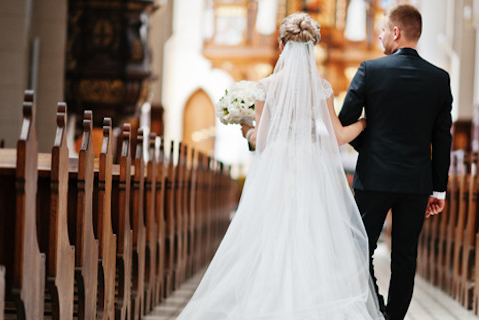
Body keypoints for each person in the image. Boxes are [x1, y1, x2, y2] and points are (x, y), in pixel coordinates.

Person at [177, 12, 384, 320]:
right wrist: (367, 122)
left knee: (274, 232)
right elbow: (340, 136)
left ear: (282, 45)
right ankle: (311, 301)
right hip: (312, 168)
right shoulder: (322, 87)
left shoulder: (266, 86)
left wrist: (245, 128)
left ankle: (270, 301)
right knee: (312, 233)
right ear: (311, 47)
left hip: (278, 167)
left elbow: (260, 140)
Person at [337, 4, 453, 320]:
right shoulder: (439, 79)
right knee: (405, 256)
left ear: (396, 33)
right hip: (416, 183)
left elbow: (345, 121)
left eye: (383, 30)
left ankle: (377, 308)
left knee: (360, 249)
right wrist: (438, 190)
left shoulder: (370, 70)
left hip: (374, 178)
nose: (380, 35)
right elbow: (442, 139)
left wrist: (371, 147)